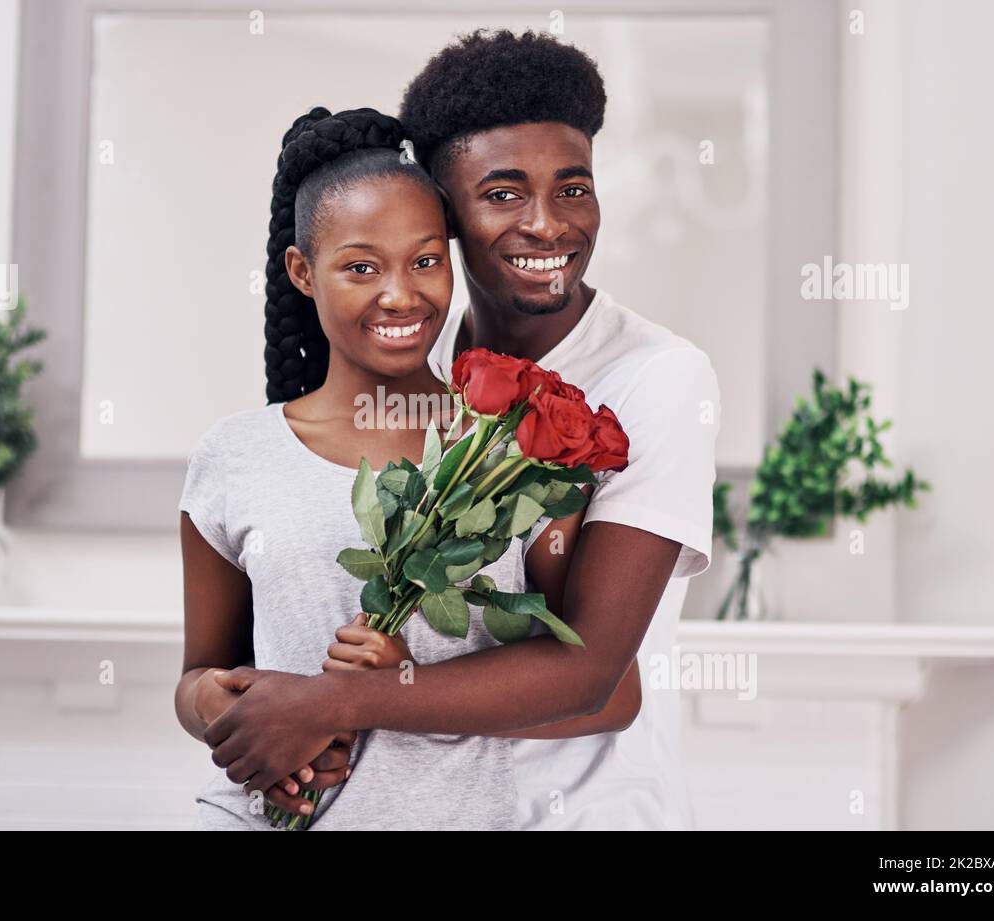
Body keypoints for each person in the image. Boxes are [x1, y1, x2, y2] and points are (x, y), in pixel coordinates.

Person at [202, 30, 721, 830]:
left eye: (573, 187)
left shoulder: (662, 377)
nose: (549, 225)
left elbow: (594, 673)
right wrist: (292, 719)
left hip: (590, 809)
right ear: (443, 217)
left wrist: (339, 700)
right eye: (504, 193)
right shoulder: (420, 350)